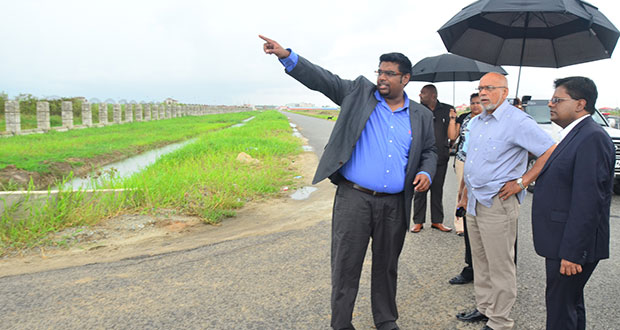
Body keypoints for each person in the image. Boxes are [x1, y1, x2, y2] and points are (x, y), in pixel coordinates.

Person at [260, 35, 437, 330]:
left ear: (405, 78)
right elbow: (323, 79)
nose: (381, 77)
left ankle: (386, 318)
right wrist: (287, 55)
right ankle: (341, 324)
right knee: (346, 265)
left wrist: (427, 173)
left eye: (389, 73)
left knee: (387, 264)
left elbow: (430, 150)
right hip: (354, 199)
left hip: (395, 203)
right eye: (379, 71)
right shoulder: (359, 93)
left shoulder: (419, 114)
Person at [456, 72, 556, 330]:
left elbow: (549, 150)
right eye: (480, 88)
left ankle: (500, 320)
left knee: (500, 263)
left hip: (498, 203)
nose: (483, 93)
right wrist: (465, 192)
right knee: (480, 259)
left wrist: (523, 181)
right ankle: (485, 307)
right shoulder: (478, 121)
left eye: (489, 88)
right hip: (475, 200)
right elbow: (472, 162)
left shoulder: (518, 121)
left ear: (505, 90)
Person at [531, 77, 613, 330]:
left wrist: (573, 253)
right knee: (570, 304)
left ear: (580, 104)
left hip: (570, 246)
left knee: (560, 310)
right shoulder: (574, 134)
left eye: (557, 99)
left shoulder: (592, 138)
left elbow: (588, 200)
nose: (550, 105)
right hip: (562, 240)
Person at [411, 84, 458, 233]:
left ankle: (437, 221)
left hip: (441, 157)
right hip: (422, 159)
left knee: (438, 190)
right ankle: (418, 221)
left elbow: (452, 133)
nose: (419, 95)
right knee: (420, 190)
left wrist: (449, 145)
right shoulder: (416, 110)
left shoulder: (447, 109)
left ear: (433, 95)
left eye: (423, 93)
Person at [448, 93, 483, 285]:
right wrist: (463, 191)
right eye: (475, 101)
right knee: (471, 223)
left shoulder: (510, 121)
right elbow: (461, 146)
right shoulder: (471, 122)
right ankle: (471, 267)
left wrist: (521, 181)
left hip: (494, 191)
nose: (478, 105)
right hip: (468, 170)